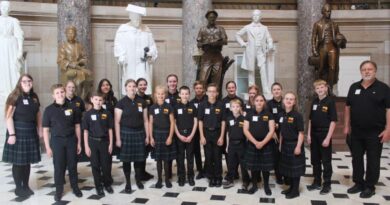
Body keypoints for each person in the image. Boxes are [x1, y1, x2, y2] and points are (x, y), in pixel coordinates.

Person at [344, 60, 390, 198]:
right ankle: (358, 183)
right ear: (361, 71)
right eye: (364, 69)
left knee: (373, 160)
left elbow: (389, 109)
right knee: (356, 159)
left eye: (370, 69)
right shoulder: (354, 87)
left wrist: (388, 129)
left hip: (375, 132)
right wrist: (346, 125)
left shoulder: (383, 88)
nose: (367, 71)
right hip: (356, 132)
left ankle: (370, 186)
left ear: (375, 71)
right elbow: (347, 107)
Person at [2, 74, 41, 197]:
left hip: (30, 130)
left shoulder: (34, 97)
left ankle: (26, 185)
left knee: (27, 161)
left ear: (32, 82)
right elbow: (8, 117)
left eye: (29, 81)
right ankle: (18, 187)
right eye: (24, 81)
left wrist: (39, 129)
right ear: (20, 83)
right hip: (18, 131)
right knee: (18, 162)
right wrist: (12, 134)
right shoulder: (14, 96)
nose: (27, 83)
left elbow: (38, 114)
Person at [42, 84, 83, 201]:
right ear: (53, 96)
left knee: (73, 165)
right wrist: (48, 147)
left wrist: (79, 143)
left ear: (65, 93)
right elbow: (45, 130)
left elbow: (77, 126)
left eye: (61, 92)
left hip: (71, 140)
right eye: (57, 93)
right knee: (59, 166)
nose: (60, 94)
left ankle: (75, 188)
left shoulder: (73, 107)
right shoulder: (49, 110)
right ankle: (59, 190)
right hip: (57, 141)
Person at [114, 4, 158, 95]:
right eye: (135, 17)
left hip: (142, 65)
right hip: (129, 63)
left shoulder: (146, 30)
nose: (137, 20)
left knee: (143, 86)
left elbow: (152, 47)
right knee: (130, 85)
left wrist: (150, 54)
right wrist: (121, 57)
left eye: (139, 17)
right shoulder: (123, 30)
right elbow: (118, 46)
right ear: (130, 16)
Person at [115, 79, 149, 193]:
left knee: (139, 160)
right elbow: (117, 122)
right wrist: (118, 139)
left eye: (134, 86)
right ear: (126, 88)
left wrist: (147, 136)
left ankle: (138, 180)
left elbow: (145, 121)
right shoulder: (121, 102)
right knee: (127, 161)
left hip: (139, 133)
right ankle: (128, 183)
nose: (132, 88)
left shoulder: (142, 101)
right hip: (126, 134)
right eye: (130, 86)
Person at [307, 80, 337, 195]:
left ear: (326, 88)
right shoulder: (314, 102)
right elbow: (310, 120)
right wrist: (309, 134)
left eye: (322, 87)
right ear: (315, 90)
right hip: (314, 135)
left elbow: (333, 121)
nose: (320, 89)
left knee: (326, 160)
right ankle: (317, 181)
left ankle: (327, 184)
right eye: (317, 88)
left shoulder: (330, 102)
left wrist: (328, 138)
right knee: (315, 160)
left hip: (324, 134)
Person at [236, 9, 274, 96]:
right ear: (252, 17)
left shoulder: (265, 28)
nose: (255, 17)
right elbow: (237, 35)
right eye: (254, 15)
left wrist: (270, 44)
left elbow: (269, 38)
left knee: (263, 69)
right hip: (250, 51)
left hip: (261, 50)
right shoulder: (247, 27)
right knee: (251, 70)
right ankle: (251, 89)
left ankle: (265, 89)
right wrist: (243, 43)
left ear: (260, 17)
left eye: (257, 15)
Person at [83, 92, 114, 196]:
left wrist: (110, 144)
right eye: (96, 99)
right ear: (92, 100)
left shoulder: (107, 113)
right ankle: (98, 186)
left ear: (103, 101)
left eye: (100, 100)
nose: (98, 102)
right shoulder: (87, 114)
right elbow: (85, 131)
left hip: (105, 142)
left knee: (106, 165)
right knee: (95, 165)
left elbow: (110, 130)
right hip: (93, 142)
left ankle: (107, 184)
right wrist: (86, 146)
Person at [243, 95, 275, 195]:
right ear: (254, 102)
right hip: (253, 144)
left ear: (264, 102)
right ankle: (254, 186)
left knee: (265, 167)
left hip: (266, 144)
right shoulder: (249, 114)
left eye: (261, 100)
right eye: (257, 100)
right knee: (253, 166)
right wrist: (256, 142)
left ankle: (266, 186)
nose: (259, 102)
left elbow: (271, 130)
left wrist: (262, 142)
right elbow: (245, 130)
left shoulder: (269, 114)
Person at [311, 3, 346, 92]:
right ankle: (319, 87)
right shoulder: (317, 24)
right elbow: (313, 38)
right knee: (321, 68)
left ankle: (329, 89)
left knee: (332, 68)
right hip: (322, 48)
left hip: (332, 48)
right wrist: (314, 50)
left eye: (329, 11)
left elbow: (338, 36)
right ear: (322, 12)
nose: (328, 13)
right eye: (326, 11)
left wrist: (341, 39)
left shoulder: (334, 24)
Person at [198, 83, 226, 187]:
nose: (212, 93)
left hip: (217, 133)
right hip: (206, 133)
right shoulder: (202, 105)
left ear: (217, 93)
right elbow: (200, 121)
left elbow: (223, 122)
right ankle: (211, 177)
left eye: (214, 91)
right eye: (210, 91)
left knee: (217, 156)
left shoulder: (221, 104)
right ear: (206, 93)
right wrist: (201, 136)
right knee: (208, 157)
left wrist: (222, 136)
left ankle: (218, 177)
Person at [278, 92, 305, 199]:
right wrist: (280, 144)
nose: (289, 101)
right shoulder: (282, 115)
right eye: (287, 99)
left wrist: (298, 147)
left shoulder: (297, 115)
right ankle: (291, 188)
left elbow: (301, 133)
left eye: (291, 99)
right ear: (284, 101)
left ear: (294, 102)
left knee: (295, 170)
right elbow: (281, 131)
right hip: (285, 144)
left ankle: (295, 191)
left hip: (295, 144)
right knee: (289, 168)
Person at [149, 85, 176, 188]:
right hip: (156, 135)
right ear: (155, 95)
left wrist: (170, 137)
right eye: (158, 94)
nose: (160, 95)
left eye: (162, 94)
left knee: (166, 158)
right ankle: (159, 179)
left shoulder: (168, 107)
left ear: (165, 95)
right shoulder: (152, 107)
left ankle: (167, 179)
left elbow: (172, 123)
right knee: (158, 159)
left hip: (166, 134)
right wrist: (151, 137)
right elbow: (150, 123)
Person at [197, 10, 228, 95]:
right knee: (203, 79)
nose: (212, 19)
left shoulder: (220, 29)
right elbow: (199, 43)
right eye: (210, 17)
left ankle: (216, 99)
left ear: (216, 18)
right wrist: (206, 43)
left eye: (214, 17)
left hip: (217, 56)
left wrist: (217, 43)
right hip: (206, 56)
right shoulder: (202, 29)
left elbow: (225, 41)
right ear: (207, 18)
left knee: (216, 80)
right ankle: (202, 99)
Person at [57, 26, 92, 100]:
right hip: (68, 68)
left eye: (72, 33)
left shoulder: (79, 46)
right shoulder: (63, 46)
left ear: (75, 34)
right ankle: (74, 95)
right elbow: (60, 60)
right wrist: (70, 64)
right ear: (66, 34)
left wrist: (79, 62)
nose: (70, 35)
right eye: (68, 33)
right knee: (74, 74)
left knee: (89, 75)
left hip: (78, 67)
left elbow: (84, 58)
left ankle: (83, 96)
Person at [223, 99, 250, 190]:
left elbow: (247, 133)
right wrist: (227, 146)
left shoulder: (244, 118)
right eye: (233, 107)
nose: (235, 108)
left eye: (237, 106)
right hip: (231, 144)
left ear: (240, 108)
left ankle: (246, 181)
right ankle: (230, 180)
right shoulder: (229, 118)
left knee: (243, 164)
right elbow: (227, 133)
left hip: (242, 144)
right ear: (230, 108)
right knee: (231, 163)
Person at [174, 86, 198, 186]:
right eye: (182, 93)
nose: (184, 95)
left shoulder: (192, 106)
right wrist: (179, 135)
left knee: (190, 157)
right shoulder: (175, 107)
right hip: (179, 135)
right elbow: (174, 123)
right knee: (180, 158)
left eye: (186, 93)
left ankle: (190, 177)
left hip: (190, 135)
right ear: (179, 95)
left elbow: (195, 122)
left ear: (189, 94)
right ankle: (181, 177)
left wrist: (191, 135)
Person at [0, 0, 23, 97]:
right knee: (2, 67)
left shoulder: (13, 20)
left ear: (9, 9)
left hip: (11, 46)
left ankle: (13, 90)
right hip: (1, 46)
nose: (4, 9)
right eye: (2, 7)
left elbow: (19, 36)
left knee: (12, 67)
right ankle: (3, 89)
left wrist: (20, 50)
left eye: (6, 7)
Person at [222, 81, 244, 180]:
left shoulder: (240, 100)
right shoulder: (223, 101)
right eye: (229, 87)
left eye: (233, 87)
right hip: (228, 128)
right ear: (227, 89)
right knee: (229, 155)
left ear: (235, 88)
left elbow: (243, 113)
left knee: (240, 156)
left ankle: (237, 173)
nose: (231, 89)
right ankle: (232, 172)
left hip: (239, 127)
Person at [135, 78, 155, 181]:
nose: (143, 86)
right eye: (140, 85)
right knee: (139, 152)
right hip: (138, 128)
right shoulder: (134, 98)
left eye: (144, 84)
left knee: (144, 152)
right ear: (137, 86)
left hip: (147, 127)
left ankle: (142, 171)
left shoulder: (149, 98)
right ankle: (139, 173)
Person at [267, 82, 284, 185]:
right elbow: (267, 119)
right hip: (274, 134)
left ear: (281, 90)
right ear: (272, 91)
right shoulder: (268, 104)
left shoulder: (285, 101)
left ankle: (286, 174)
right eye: (274, 89)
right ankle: (278, 176)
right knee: (276, 155)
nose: (276, 91)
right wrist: (272, 131)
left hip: (285, 132)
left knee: (285, 155)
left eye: (278, 89)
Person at [190, 81, 207, 179]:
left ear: (203, 89)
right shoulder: (192, 102)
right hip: (195, 130)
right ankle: (200, 170)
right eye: (197, 88)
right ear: (194, 89)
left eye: (200, 88)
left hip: (206, 129)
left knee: (207, 151)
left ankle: (207, 169)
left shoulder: (208, 101)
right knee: (196, 151)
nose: (199, 90)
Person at [165, 74, 180, 179]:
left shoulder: (181, 95)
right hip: (167, 127)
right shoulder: (163, 96)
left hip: (179, 127)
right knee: (168, 150)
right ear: (167, 83)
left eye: (174, 81)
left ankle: (180, 173)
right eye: (170, 81)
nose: (172, 83)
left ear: (177, 82)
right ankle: (168, 172)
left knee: (179, 151)